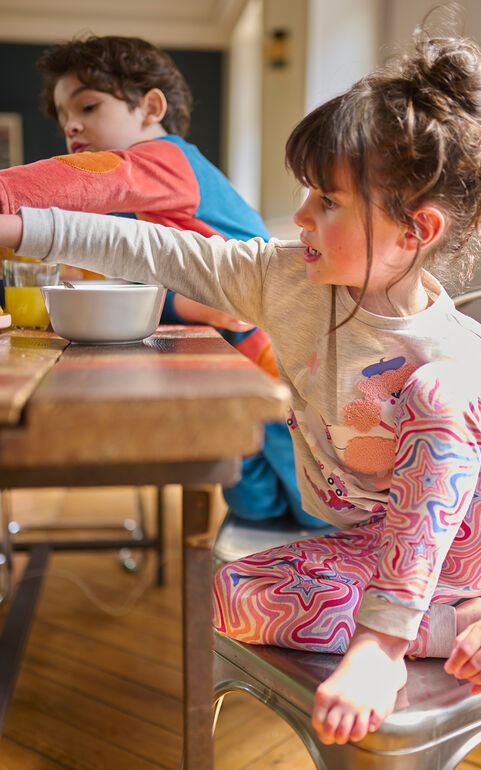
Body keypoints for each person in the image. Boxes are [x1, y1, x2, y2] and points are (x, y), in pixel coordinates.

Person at [0, 25, 481, 747]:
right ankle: (447, 624)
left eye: (327, 201)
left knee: (438, 394)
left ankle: (386, 645)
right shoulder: (286, 282)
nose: (300, 217)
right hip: (376, 542)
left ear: (414, 230)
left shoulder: (461, 351)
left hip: (471, 544)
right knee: (221, 594)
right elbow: (150, 246)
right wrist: (20, 228)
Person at [0, 34, 322, 531]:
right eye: (63, 114)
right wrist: (189, 308)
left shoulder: (168, 160)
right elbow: (156, 278)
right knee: (256, 505)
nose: (70, 124)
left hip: (282, 358)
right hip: (239, 363)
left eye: (87, 105)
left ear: (151, 107)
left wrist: (5, 194)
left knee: (311, 506)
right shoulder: (142, 202)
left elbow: (82, 179)